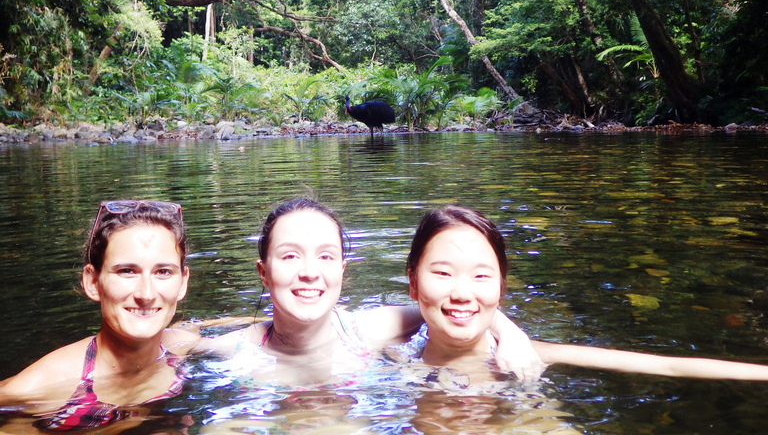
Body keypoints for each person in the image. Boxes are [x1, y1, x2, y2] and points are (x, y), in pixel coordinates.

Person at [189, 198, 544, 387]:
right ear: (264, 273)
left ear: (342, 271)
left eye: (326, 256)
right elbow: (166, 342)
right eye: (291, 255)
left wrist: (512, 335)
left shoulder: (366, 329)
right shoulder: (235, 347)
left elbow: (452, 304)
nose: (310, 272)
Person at [403, 204, 768, 381]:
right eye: (443, 273)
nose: (463, 293)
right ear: (413, 281)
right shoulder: (384, 356)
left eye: (481, 276)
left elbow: (667, 365)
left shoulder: (529, 355)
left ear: (501, 287)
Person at [0, 200, 191, 431]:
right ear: (92, 282)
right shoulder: (40, 387)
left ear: (183, 283)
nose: (146, 294)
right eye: (127, 271)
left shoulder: (178, 346)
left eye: (163, 272)